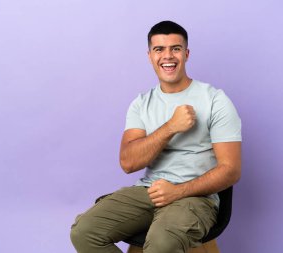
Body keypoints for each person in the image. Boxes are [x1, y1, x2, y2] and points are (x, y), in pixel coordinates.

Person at [70, 20, 242, 253]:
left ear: (187, 54)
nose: (167, 56)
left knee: (161, 245)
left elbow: (231, 170)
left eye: (176, 48)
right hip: (149, 192)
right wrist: (170, 127)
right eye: (159, 49)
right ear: (150, 55)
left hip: (196, 198)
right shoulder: (141, 104)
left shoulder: (215, 100)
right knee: (84, 232)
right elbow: (128, 163)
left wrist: (178, 191)